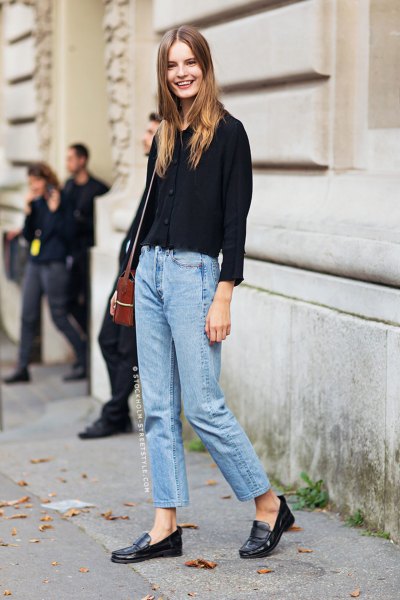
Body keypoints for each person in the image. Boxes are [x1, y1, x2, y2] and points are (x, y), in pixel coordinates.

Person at [109, 25, 295, 565]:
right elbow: (148, 211)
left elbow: (235, 223)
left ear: (205, 67)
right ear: (164, 74)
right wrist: (133, 269)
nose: (181, 72)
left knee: (205, 406)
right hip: (150, 275)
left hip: (195, 278)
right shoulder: (166, 132)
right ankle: (165, 524)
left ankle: (267, 504)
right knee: (159, 409)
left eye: (189, 63)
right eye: (172, 65)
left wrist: (224, 294)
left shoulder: (230, 134)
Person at [78, 112, 162, 439]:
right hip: (125, 275)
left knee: (127, 349)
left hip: (139, 276)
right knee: (106, 339)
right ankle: (118, 411)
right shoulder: (150, 173)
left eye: (150, 132)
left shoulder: (164, 177)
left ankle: (114, 412)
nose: (145, 137)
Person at [3, 163, 87, 384]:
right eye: (31, 183)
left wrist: (55, 211)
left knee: (59, 315)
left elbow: (69, 234)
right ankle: (22, 367)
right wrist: (28, 212)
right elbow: (31, 237)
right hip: (35, 263)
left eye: (37, 182)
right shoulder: (37, 203)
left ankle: (84, 358)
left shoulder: (62, 200)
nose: (34, 186)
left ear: (47, 180)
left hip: (55, 265)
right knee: (27, 315)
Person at [62, 143, 109, 380]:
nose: (67, 163)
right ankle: (85, 344)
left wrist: (78, 221)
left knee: (91, 303)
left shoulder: (98, 188)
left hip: (89, 255)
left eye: (71, 158)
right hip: (71, 256)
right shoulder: (68, 187)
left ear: (83, 160)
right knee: (68, 302)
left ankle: (89, 358)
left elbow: (100, 224)